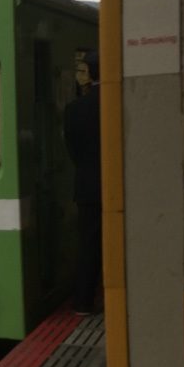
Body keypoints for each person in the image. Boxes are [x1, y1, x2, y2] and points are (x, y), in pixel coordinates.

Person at [63, 49, 102, 315]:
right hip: (120, 186)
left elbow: (73, 151)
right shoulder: (120, 99)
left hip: (87, 186)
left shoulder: (74, 109)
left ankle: (83, 301)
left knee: (88, 245)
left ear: (88, 74)